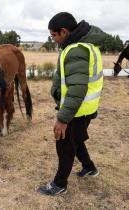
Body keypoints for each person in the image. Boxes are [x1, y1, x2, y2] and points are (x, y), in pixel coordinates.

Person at [38, 12, 105, 196]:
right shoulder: (85, 45)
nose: (53, 40)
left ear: (64, 31)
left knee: (65, 145)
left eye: (54, 36)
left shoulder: (76, 50)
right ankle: (90, 168)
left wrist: (63, 118)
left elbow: (77, 89)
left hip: (77, 110)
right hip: (85, 109)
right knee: (77, 140)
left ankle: (59, 184)